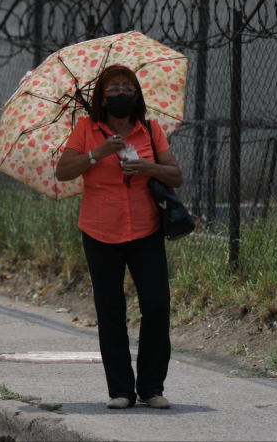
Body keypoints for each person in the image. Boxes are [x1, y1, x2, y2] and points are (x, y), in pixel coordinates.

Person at [55, 65, 183, 410]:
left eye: (128, 88)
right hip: (99, 231)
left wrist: (148, 168)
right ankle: (122, 391)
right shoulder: (86, 129)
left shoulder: (150, 130)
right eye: (114, 89)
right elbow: (63, 171)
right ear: (101, 97)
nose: (122, 94)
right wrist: (98, 153)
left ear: (137, 95)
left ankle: (151, 387)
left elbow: (176, 175)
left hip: (146, 229)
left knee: (156, 306)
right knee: (111, 310)